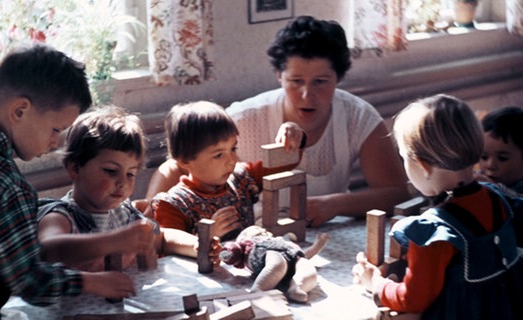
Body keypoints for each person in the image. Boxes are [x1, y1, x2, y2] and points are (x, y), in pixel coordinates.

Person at [145, 15, 409, 226]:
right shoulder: (244, 119)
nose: (308, 95)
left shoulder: (358, 115)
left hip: (325, 232)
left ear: (338, 78)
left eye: (321, 82)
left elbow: (395, 193)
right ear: (279, 77)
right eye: (295, 82)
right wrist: (150, 222)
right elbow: (174, 167)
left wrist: (331, 205)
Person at [0, 45, 145, 319]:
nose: (56, 142)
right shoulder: (7, 186)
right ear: (20, 111)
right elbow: (30, 281)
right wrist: (91, 281)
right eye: (56, 129)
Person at [352, 94, 523, 319]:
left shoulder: (433, 233)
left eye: (405, 159)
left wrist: (375, 282)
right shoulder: (500, 198)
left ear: (422, 165)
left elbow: (412, 299)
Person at [150, 101, 305, 262]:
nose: (232, 160)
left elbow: (286, 162)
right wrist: (208, 235)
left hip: (248, 272)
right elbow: (167, 245)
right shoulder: (172, 204)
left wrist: (294, 136)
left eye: (233, 149)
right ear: (184, 161)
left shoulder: (242, 178)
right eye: (218, 155)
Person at [37, 105, 158, 272]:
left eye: (130, 174)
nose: (122, 183)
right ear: (76, 169)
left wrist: (194, 245)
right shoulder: (60, 216)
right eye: (111, 171)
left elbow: (159, 239)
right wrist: (115, 242)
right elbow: (48, 250)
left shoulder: (124, 214)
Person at [220, 225, 329, 303]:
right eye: (255, 229)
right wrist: (226, 254)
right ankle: (258, 289)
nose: (261, 230)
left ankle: (297, 287)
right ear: (243, 238)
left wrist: (316, 246)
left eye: (261, 229)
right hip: (267, 254)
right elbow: (233, 251)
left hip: (293, 256)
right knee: (277, 263)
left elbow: (303, 254)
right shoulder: (250, 243)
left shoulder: (281, 241)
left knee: (306, 266)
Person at [475, 106, 523, 196]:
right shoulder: (478, 179)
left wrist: (495, 189)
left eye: (502, 158)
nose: (490, 165)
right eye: (484, 157)